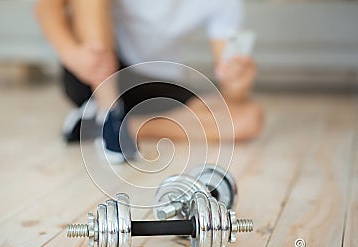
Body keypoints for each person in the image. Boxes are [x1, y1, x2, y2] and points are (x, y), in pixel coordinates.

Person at [35, 0, 264, 163]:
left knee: (247, 119)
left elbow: (232, 92)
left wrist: (239, 79)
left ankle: (104, 127)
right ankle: (109, 112)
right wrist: (72, 55)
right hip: (94, 72)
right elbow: (46, 6)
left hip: (158, 82)